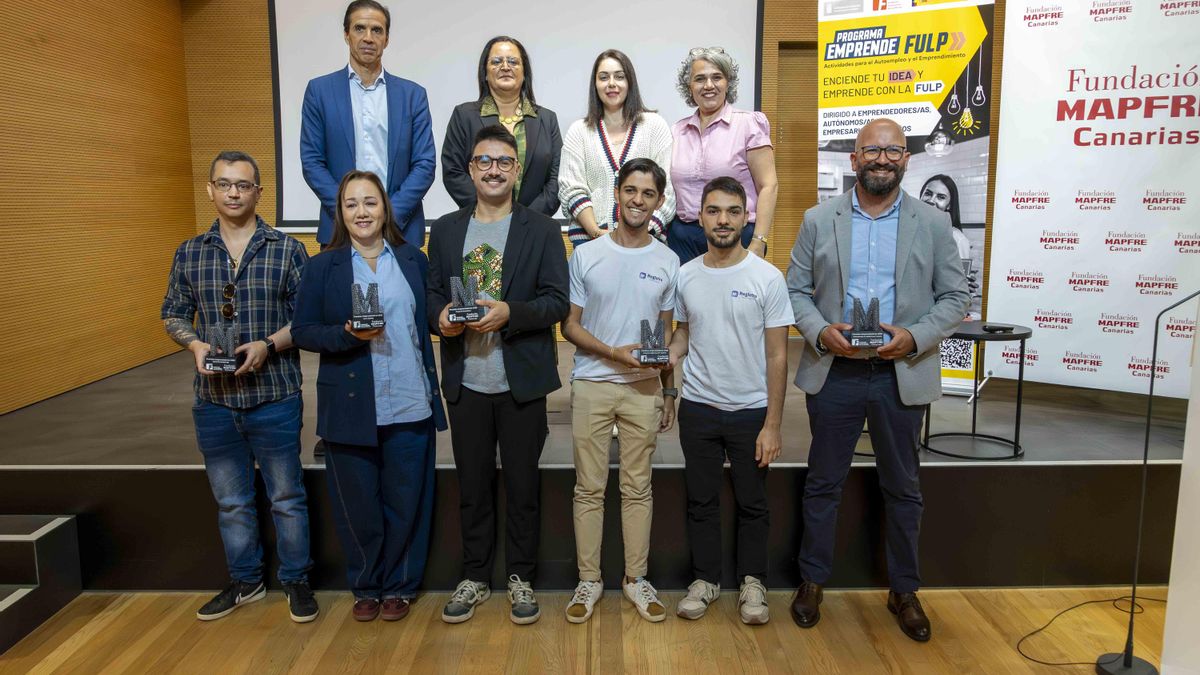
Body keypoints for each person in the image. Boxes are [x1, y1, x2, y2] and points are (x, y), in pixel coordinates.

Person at [785, 118, 969, 642]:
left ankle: (904, 588)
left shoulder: (932, 224)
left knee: (904, 489)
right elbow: (796, 291)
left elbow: (956, 298)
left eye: (893, 151)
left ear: (907, 159)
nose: (882, 159)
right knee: (823, 483)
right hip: (835, 372)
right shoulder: (819, 219)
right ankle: (813, 580)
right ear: (854, 159)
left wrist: (914, 337)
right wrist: (821, 332)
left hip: (900, 375)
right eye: (872, 150)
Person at [161, 151, 316, 623]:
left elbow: (306, 320)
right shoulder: (189, 251)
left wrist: (269, 345)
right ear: (210, 189)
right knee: (231, 501)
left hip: (274, 395)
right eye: (224, 184)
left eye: (243, 185)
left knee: (286, 498)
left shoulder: (288, 249)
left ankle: (296, 581)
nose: (233, 192)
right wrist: (195, 346)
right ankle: (246, 581)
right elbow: (172, 313)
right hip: (213, 401)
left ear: (258, 192)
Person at [427, 125, 569, 625]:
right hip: (466, 380)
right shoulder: (444, 230)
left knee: (524, 487)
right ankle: (474, 575)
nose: (493, 169)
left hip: (520, 380)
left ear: (516, 170)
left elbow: (556, 301)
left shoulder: (544, 230)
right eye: (484, 160)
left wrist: (511, 312)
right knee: (473, 486)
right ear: (470, 170)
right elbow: (430, 295)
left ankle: (521, 576)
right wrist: (439, 318)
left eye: (504, 162)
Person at [291, 170, 447, 622]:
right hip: (351, 406)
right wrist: (344, 334)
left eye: (370, 202)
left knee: (407, 503)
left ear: (385, 209)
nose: (362, 212)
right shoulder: (323, 267)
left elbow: (428, 322)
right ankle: (365, 585)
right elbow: (302, 331)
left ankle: (399, 585)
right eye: (351, 204)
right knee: (357, 506)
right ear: (340, 212)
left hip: (409, 398)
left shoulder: (412, 261)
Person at [667, 177, 791, 625]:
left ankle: (753, 582)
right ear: (700, 217)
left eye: (733, 211)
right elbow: (682, 334)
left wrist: (773, 424)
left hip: (751, 411)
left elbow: (779, 354)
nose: (723, 220)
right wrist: (667, 361)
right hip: (698, 408)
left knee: (752, 503)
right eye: (714, 211)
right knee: (701, 501)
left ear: (746, 217)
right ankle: (705, 581)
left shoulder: (767, 277)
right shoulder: (685, 275)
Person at [560, 158, 679, 624]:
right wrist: (614, 353)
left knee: (637, 488)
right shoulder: (587, 255)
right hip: (592, 383)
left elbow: (667, 340)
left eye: (648, 194)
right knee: (588, 488)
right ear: (617, 191)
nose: (637, 200)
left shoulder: (668, 261)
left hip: (643, 390)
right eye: (630, 190)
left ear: (658, 201)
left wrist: (669, 393)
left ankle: (635, 579)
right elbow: (569, 326)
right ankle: (589, 580)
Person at [300, 0, 436, 247]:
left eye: (377, 30)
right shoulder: (319, 91)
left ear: (386, 39)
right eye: (359, 28)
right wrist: (348, 211)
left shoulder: (413, 95)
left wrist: (389, 215)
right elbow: (312, 162)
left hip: (400, 229)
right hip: (339, 231)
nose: (368, 38)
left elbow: (425, 163)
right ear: (346, 35)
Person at [669, 47, 778, 265]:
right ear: (689, 87)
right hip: (683, 239)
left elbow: (769, 185)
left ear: (728, 83)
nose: (708, 85)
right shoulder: (676, 131)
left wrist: (759, 240)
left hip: (735, 235)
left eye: (716, 77)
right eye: (700, 79)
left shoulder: (748, 124)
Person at [559, 49, 675, 247]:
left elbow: (667, 191)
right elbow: (571, 190)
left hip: (645, 244)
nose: (611, 83)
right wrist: (598, 233)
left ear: (630, 82)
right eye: (603, 77)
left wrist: (637, 235)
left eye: (619, 76)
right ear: (595, 85)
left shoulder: (655, 126)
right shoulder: (579, 131)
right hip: (590, 243)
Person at [442, 36, 562, 217]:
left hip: (534, 227)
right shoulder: (464, 115)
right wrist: (493, 213)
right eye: (496, 61)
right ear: (485, 72)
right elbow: (453, 172)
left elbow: (556, 179)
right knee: (483, 248)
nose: (505, 67)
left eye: (513, 62)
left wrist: (525, 219)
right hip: (481, 224)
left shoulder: (546, 119)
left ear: (525, 72)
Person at [918, 174, 980, 318]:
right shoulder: (907, 230)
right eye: (928, 193)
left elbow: (957, 291)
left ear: (949, 205)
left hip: (935, 318)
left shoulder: (957, 239)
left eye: (941, 197)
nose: (931, 200)